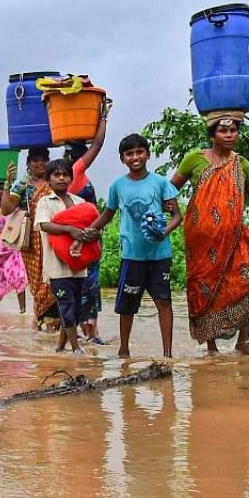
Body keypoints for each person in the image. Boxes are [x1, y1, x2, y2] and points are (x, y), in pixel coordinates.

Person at [168, 115, 249, 356]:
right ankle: (212, 346)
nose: (230, 135)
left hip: (235, 239)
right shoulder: (194, 160)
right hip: (201, 242)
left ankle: (243, 341)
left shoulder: (242, 164)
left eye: (233, 131)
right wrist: (171, 212)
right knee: (206, 288)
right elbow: (169, 190)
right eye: (224, 131)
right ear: (212, 136)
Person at [86, 133, 183, 358]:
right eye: (129, 154)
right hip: (132, 256)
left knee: (163, 301)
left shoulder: (161, 183)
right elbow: (107, 214)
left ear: (148, 154)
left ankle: (167, 354)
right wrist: (88, 232)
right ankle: (123, 351)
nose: (135, 157)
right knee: (127, 306)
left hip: (160, 255)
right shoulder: (118, 186)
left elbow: (177, 216)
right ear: (122, 159)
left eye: (139, 152)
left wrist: (163, 232)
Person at [34, 158, 94, 354]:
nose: (61, 178)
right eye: (56, 175)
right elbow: (44, 225)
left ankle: (60, 347)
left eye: (65, 174)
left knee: (75, 307)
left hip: (79, 265)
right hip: (57, 267)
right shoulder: (45, 202)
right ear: (48, 180)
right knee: (67, 305)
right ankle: (76, 348)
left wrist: (86, 234)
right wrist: (70, 230)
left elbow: (93, 226)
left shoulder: (81, 202)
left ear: (71, 178)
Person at [66, 98, 110, 344]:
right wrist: (103, 117)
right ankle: (89, 332)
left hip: (80, 238)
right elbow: (99, 143)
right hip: (84, 239)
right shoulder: (76, 170)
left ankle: (87, 332)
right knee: (87, 284)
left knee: (81, 284)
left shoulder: (64, 175)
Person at [0, 147, 56, 330]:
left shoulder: (55, 180)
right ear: (29, 164)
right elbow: (6, 210)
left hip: (55, 235)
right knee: (39, 281)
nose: (40, 163)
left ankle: (54, 322)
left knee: (56, 277)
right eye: (35, 160)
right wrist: (7, 182)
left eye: (43, 159)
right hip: (33, 241)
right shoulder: (22, 184)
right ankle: (43, 318)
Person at [0, 169, 28, 313]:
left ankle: (23, 310)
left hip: (11, 248)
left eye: (5, 189)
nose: (2, 192)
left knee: (19, 275)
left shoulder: (13, 207)